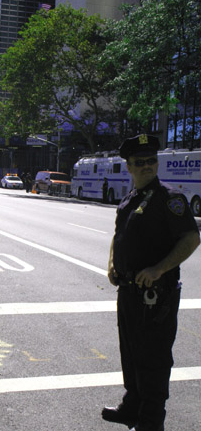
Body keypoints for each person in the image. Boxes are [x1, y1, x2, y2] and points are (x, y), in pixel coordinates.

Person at [102, 134, 200, 431]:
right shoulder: (131, 199)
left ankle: (151, 422)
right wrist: (111, 264)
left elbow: (191, 238)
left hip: (155, 296)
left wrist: (159, 269)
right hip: (129, 292)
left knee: (153, 359)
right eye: (139, 162)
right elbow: (119, 236)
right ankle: (132, 406)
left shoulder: (169, 199)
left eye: (151, 161)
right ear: (128, 166)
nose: (146, 166)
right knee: (130, 353)